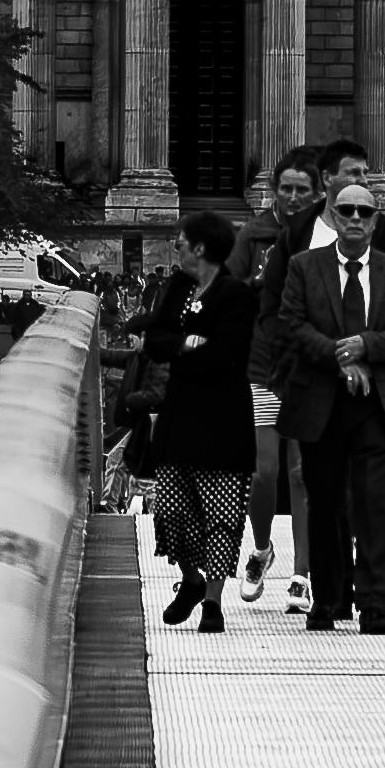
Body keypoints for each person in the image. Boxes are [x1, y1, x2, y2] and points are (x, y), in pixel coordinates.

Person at [278, 163, 385, 632]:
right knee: (324, 504)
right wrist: (341, 358)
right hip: (321, 399)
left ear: (376, 220)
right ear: (334, 216)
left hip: (375, 405)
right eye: (347, 211)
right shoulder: (305, 267)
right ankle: (328, 599)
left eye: (364, 211)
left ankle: (375, 602)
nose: (356, 218)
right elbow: (292, 325)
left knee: (372, 502)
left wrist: (366, 347)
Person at [142, 208, 259, 635]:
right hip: (180, 414)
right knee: (172, 508)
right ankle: (190, 578)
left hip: (222, 418)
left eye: (181, 240)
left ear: (200, 247)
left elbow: (227, 355)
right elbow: (154, 340)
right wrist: (186, 345)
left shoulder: (236, 296)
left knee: (221, 512)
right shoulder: (177, 287)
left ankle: (212, 600)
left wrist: (183, 351)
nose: (175, 245)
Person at [238, 149, 322, 608]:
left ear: (317, 192)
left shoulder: (326, 237)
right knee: (263, 471)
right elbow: (226, 296)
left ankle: (303, 574)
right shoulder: (254, 235)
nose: (292, 198)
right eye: (285, 189)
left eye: (301, 190)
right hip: (264, 367)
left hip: (308, 369)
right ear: (274, 191)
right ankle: (262, 548)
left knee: (301, 472)